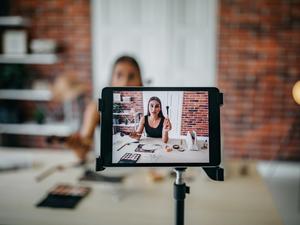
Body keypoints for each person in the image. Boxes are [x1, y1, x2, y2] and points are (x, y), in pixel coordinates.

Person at [67, 55, 143, 161]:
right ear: (111, 80)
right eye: (119, 75)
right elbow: (82, 152)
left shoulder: (147, 107)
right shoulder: (96, 107)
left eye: (131, 76)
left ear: (140, 82)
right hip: (109, 171)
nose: (125, 82)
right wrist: (77, 145)